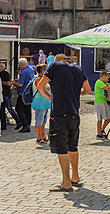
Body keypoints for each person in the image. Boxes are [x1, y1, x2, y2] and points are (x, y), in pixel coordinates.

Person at [39, 53, 90, 192]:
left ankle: (66, 182)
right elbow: (88, 90)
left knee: (61, 148)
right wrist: (73, 93)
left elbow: (40, 86)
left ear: (57, 60)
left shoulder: (55, 66)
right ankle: (75, 176)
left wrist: (50, 97)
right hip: (74, 113)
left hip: (59, 113)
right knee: (72, 146)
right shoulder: (79, 69)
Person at [31, 63, 52, 144]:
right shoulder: (38, 79)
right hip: (39, 102)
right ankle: (38, 137)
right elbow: (40, 90)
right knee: (38, 121)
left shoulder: (43, 79)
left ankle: (43, 136)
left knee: (43, 121)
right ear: (43, 71)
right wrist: (51, 87)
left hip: (44, 103)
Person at [15, 57, 35, 133]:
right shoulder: (31, 69)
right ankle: (28, 123)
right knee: (27, 108)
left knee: (19, 108)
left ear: (22, 64)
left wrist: (14, 83)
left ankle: (25, 124)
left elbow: (20, 84)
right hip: (29, 92)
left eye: (19, 65)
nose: (19, 67)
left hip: (23, 92)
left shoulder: (24, 71)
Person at [94, 71, 110, 139]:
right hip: (99, 101)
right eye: (107, 78)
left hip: (104, 101)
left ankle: (102, 129)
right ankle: (98, 134)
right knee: (100, 119)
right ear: (103, 76)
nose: (107, 80)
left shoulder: (103, 83)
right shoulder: (99, 82)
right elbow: (107, 88)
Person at [0, 60, 16, 131]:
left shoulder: (6, 74)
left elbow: (8, 83)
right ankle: (3, 125)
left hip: (6, 93)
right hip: (1, 94)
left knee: (9, 108)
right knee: (1, 110)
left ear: (2, 67)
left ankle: (18, 121)